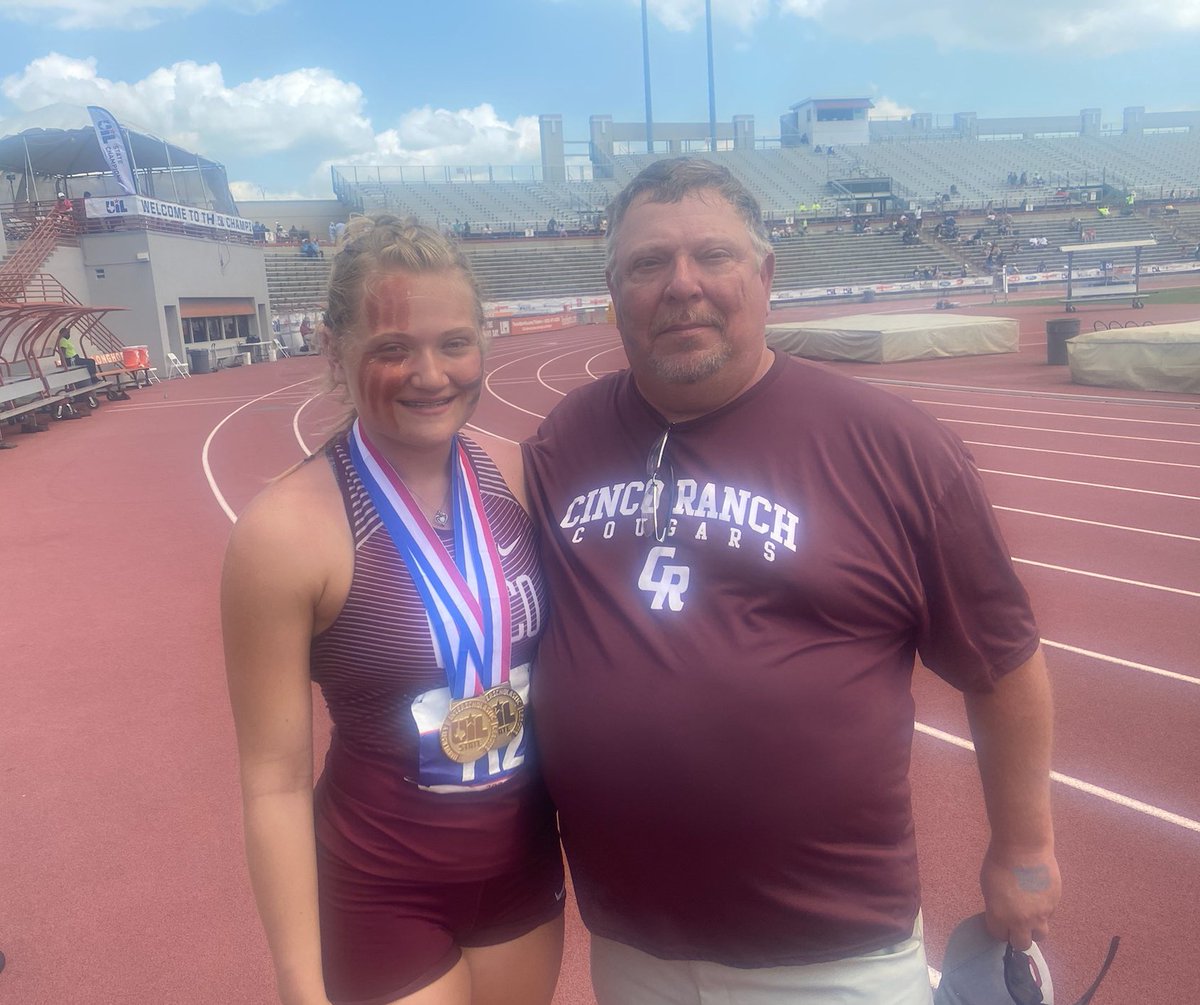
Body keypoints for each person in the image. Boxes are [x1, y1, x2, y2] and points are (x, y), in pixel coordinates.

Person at [522, 158, 1059, 1004]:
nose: (682, 285)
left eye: (714, 255)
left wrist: (1024, 851)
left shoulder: (894, 447)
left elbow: (1003, 662)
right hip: (630, 948)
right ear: (614, 291)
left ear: (766, 275)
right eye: (648, 263)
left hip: (832, 959)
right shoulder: (567, 439)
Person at [222, 215, 564, 1005]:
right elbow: (274, 778)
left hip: (522, 872)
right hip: (379, 889)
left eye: (454, 343)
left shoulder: (518, 475)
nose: (430, 374)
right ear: (335, 351)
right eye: (392, 348)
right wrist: (298, 981)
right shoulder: (283, 532)